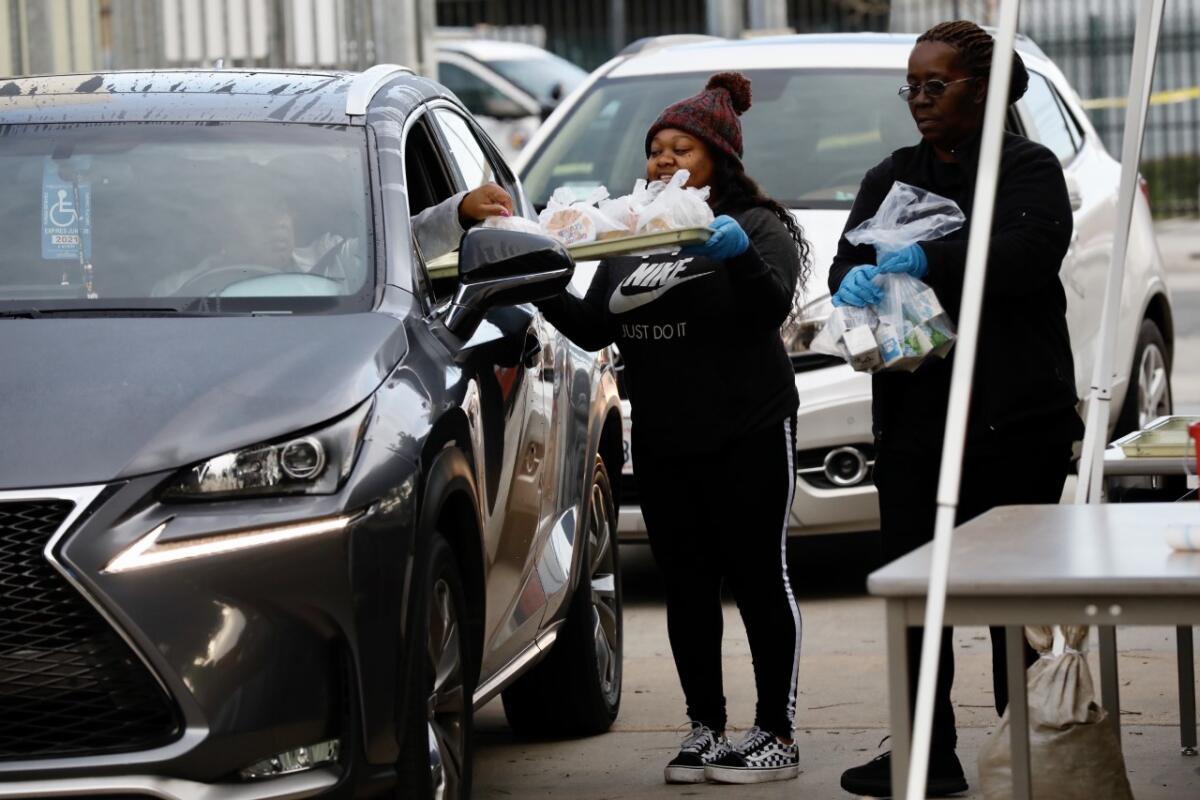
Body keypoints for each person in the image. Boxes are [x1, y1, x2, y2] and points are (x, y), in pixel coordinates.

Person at [535, 72, 812, 785]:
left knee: (757, 576)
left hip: (748, 428)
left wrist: (738, 256)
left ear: (717, 157)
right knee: (687, 586)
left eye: (680, 147)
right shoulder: (630, 231)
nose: (662, 161)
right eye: (655, 148)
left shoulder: (753, 227)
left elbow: (770, 308)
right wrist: (535, 282)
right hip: (664, 437)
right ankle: (705, 728)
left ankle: (776, 733)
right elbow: (596, 324)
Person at [830, 21, 1083, 798]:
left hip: (1014, 421)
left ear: (981, 88)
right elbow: (849, 252)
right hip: (916, 421)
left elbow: (1027, 254)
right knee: (917, 592)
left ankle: (1028, 746)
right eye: (911, 84)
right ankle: (923, 753)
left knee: (1014, 598)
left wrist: (924, 257)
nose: (919, 99)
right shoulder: (890, 175)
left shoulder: (1027, 168)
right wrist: (855, 278)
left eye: (935, 85)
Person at [154, 182, 512, 295]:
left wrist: (462, 210)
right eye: (258, 215)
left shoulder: (334, 262)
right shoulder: (179, 292)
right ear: (224, 230)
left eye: (280, 211)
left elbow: (404, 239)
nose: (277, 224)